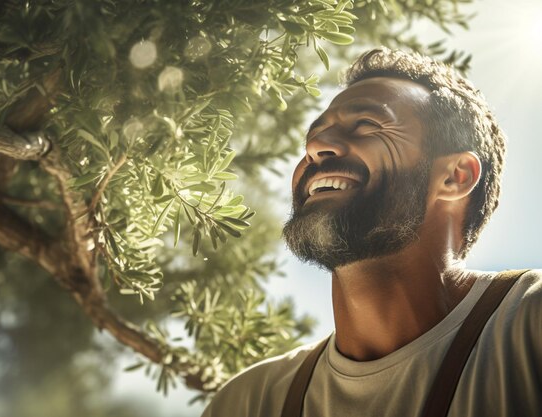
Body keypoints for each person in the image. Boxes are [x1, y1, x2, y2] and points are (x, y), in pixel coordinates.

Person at [201, 48, 541, 417]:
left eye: (366, 125)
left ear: (455, 177)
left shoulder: (530, 326)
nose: (315, 148)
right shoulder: (247, 402)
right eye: (314, 137)